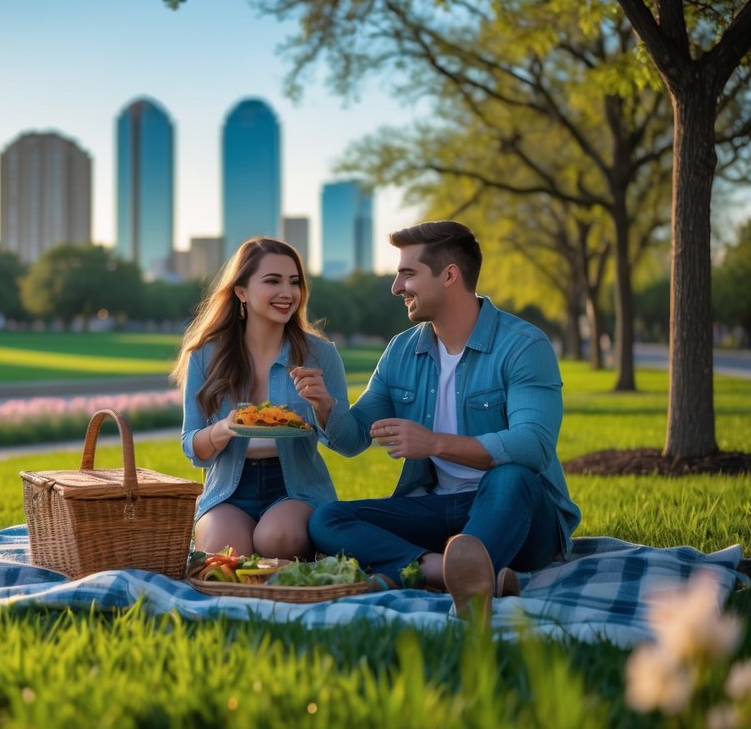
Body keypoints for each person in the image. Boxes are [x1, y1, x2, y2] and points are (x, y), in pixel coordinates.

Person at [307, 221, 581, 619]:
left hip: (520, 513)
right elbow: (352, 439)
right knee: (327, 519)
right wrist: (325, 406)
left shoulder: (523, 346)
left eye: (408, 273)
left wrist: (433, 443)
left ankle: (417, 571)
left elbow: (532, 445)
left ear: (450, 275)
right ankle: (451, 571)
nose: (396, 287)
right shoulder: (401, 352)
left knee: (511, 474)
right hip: (440, 509)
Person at [173, 236, 358, 560]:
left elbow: (348, 444)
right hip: (228, 490)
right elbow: (193, 448)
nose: (287, 293)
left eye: (294, 282)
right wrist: (224, 429)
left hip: (296, 490)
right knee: (225, 555)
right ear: (241, 291)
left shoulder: (320, 355)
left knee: (278, 540)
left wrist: (324, 405)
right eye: (273, 281)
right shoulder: (204, 356)